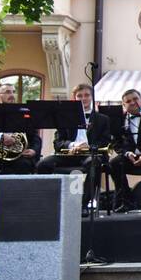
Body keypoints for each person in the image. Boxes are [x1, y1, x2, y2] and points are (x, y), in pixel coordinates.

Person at [37, 83, 111, 214]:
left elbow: (105, 141)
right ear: (74, 99)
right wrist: (72, 145)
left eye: (87, 95)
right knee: (42, 164)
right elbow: (58, 142)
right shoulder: (65, 118)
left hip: (90, 155)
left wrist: (89, 147)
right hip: (69, 155)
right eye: (80, 96)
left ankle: (82, 205)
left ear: (92, 97)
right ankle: (48, 203)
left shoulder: (103, 119)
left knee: (93, 164)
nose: (84, 98)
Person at [0, 82, 42, 213]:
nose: (12, 95)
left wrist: (34, 150)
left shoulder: (24, 113)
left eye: (13, 92)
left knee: (24, 164)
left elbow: (35, 137)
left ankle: (20, 204)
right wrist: (0, 136)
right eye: (7, 92)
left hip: (19, 155)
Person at [108, 89, 141, 213]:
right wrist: (128, 153)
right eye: (128, 101)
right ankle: (126, 200)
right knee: (114, 164)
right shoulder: (119, 119)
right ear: (124, 105)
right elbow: (116, 142)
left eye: (135, 99)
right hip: (131, 156)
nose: (133, 103)